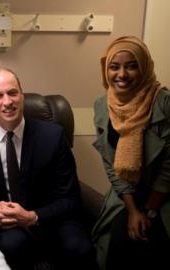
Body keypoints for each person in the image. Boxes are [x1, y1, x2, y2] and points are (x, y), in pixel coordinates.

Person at [0, 68, 95, 270]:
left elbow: (71, 198)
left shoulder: (53, 136)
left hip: (51, 219)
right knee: (13, 246)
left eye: (12, 93)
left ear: (22, 95)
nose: (7, 102)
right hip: (8, 224)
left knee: (80, 248)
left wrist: (33, 216)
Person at [91, 36, 170, 270]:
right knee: (116, 245)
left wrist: (149, 211)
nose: (122, 74)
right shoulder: (101, 104)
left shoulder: (164, 103)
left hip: (162, 195)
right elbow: (109, 161)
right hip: (125, 195)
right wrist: (134, 210)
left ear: (144, 67)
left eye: (131, 66)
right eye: (114, 67)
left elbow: (168, 166)